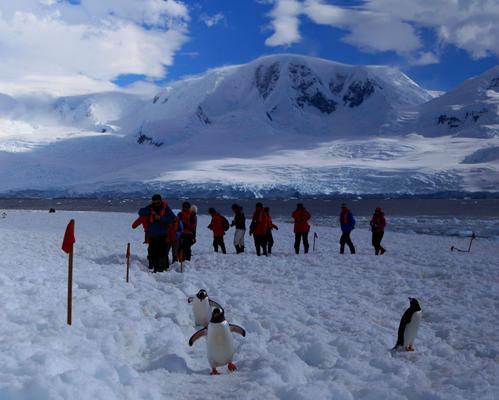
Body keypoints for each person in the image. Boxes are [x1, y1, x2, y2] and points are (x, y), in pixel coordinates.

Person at [138, 194, 175, 272]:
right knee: (153, 252)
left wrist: (160, 218)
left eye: (158, 202)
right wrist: (150, 212)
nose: (156, 203)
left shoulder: (165, 208)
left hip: (162, 235)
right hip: (152, 235)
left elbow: (172, 218)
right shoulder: (150, 207)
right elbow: (140, 211)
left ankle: (163, 268)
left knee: (162, 253)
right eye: (154, 202)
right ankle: (155, 269)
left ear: (160, 200)